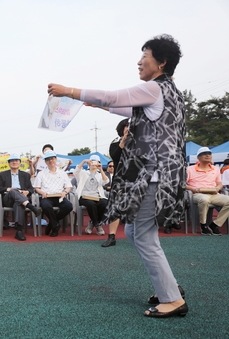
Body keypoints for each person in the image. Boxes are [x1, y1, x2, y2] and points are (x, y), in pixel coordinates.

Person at [48, 34, 187, 318]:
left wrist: (69, 91)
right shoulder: (168, 92)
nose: (139, 62)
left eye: (144, 57)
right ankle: (168, 288)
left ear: (161, 62)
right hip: (163, 173)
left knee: (143, 236)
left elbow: (115, 96)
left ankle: (173, 299)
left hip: (154, 174)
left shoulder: (154, 88)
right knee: (137, 232)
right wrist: (99, 106)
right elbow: (124, 106)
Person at [186, 146, 229, 235]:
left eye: (209, 154)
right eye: (204, 154)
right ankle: (203, 225)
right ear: (198, 157)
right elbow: (183, 184)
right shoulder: (190, 169)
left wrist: (218, 188)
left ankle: (215, 224)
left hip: (213, 194)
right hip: (198, 194)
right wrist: (193, 188)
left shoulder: (216, 169)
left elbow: (219, 183)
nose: (207, 155)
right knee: (204, 199)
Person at [0, 154, 40, 241]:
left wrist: (27, 191)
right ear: (9, 163)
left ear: (20, 163)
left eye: (16, 161)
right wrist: (9, 189)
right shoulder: (3, 174)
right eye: (12, 161)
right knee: (13, 190)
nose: (14, 162)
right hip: (8, 198)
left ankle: (19, 231)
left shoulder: (25, 175)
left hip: (21, 198)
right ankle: (31, 207)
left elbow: (31, 189)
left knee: (19, 203)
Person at [102, 118, 129, 247]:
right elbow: (115, 157)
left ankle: (140, 236)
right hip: (120, 180)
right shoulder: (115, 144)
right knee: (115, 207)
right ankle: (111, 236)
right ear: (122, 128)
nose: (129, 128)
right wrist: (124, 140)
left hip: (138, 179)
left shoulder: (141, 143)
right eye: (127, 126)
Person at [33, 150, 73, 237]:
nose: (51, 161)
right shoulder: (41, 173)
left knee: (69, 206)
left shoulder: (62, 173)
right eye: (48, 159)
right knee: (46, 206)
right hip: (46, 197)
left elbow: (68, 186)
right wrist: (42, 192)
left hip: (60, 197)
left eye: (52, 159)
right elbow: (36, 188)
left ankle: (52, 224)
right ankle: (55, 226)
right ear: (45, 162)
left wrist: (65, 192)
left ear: (56, 159)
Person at [75, 155, 109, 235]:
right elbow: (76, 172)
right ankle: (97, 225)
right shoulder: (83, 173)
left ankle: (92, 222)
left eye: (96, 161)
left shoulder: (99, 174)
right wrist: (84, 161)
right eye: (92, 161)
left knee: (105, 203)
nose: (94, 163)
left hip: (97, 196)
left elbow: (106, 181)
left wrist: (101, 169)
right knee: (91, 204)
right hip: (85, 196)